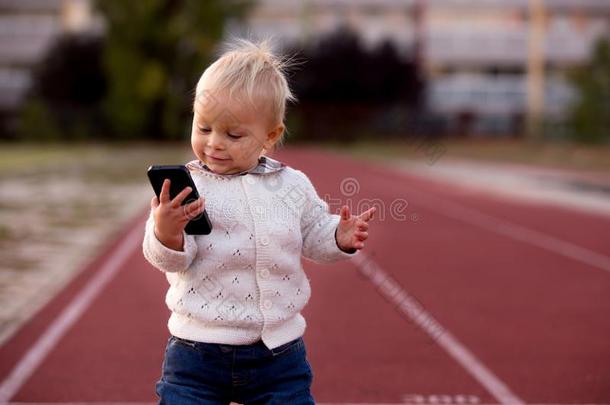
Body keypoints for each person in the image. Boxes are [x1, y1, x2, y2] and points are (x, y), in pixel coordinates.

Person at [142, 38, 376, 405]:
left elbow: (314, 233)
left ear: (271, 136)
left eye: (233, 135)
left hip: (278, 354)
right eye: (203, 128)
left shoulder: (291, 184)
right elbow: (172, 259)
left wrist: (338, 236)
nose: (215, 143)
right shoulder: (187, 188)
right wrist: (165, 231)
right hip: (196, 350)